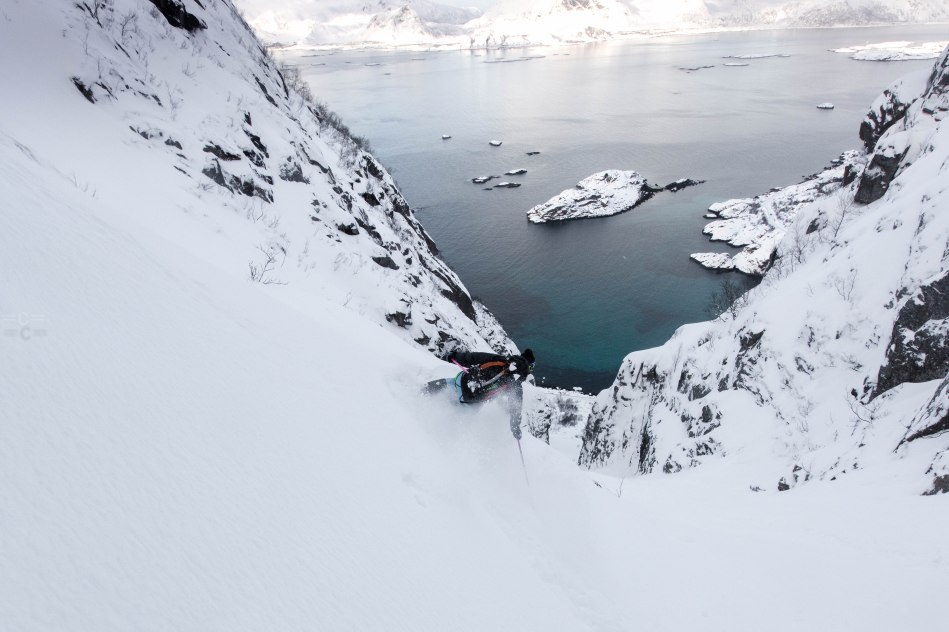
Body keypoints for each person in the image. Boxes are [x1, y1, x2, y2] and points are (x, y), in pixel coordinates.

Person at [422, 348, 535, 440]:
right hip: (472, 403)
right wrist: (515, 427)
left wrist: (454, 356)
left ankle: (414, 397)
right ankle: (440, 440)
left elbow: (473, 358)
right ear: (528, 369)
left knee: (427, 390)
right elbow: (516, 407)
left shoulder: (499, 360)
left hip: (460, 384)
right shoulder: (515, 385)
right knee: (451, 423)